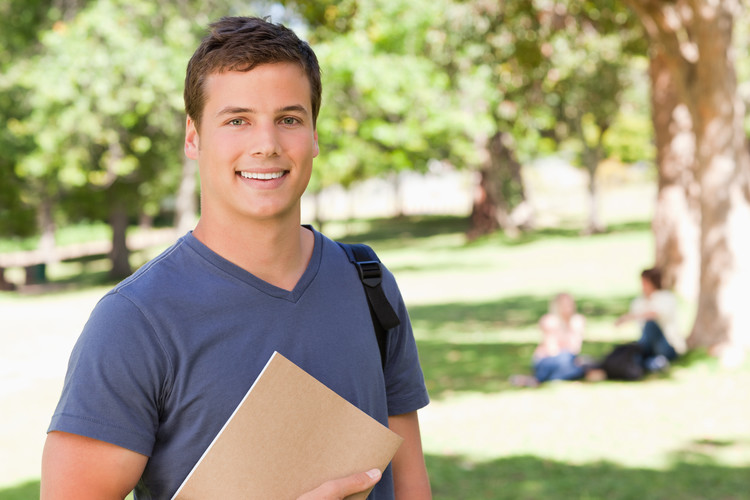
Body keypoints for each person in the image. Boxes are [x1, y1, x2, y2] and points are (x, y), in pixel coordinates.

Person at [41, 16, 431, 500]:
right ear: (193, 137)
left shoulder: (367, 283)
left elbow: (411, 486)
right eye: (237, 120)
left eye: (289, 119)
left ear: (314, 136)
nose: (266, 144)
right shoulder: (135, 321)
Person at [615, 267, 685, 372]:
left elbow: (654, 314)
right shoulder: (639, 302)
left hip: (667, 345)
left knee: (650, 325)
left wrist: (628, 317)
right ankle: (653, 363)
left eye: (645, 282)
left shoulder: (666, 297)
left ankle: (652, 361)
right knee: (634, 351)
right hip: (647, 345)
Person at [511, 292, 589, 387]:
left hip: (568, 359)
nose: (567, 307)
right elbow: (552, 350)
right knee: (568, 361)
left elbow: (575, 348)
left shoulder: (577, 321)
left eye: (569, 304)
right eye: (563, 304)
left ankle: (536, 380)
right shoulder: (550, 321)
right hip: (547, 360)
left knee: (585, 363)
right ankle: (540, 378)